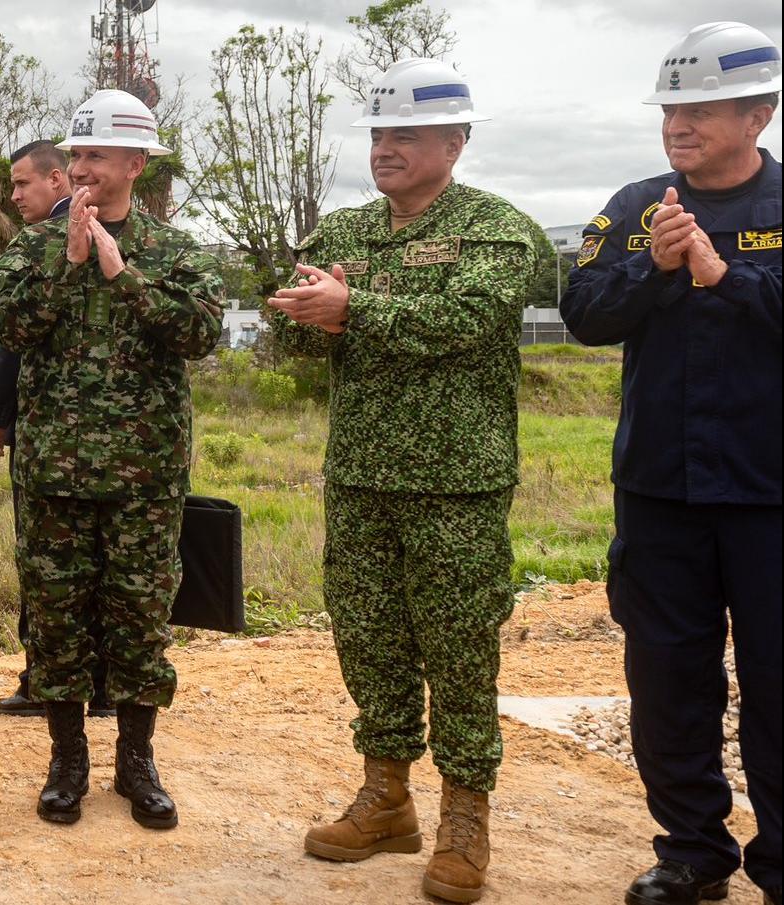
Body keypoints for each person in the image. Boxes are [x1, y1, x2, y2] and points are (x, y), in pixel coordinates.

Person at [264, 60, 558, 904]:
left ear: (455, 143)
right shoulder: (342, 234)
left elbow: (470, 320)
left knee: (460, 645)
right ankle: (386, 794)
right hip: (359, 475)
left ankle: (467, 814)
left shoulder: (497, 231)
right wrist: (308, 312)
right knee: (369, 635)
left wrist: (356, 311)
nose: (385, 149)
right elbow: (292, 325)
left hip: (456, 480)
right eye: (378, 135)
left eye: (406, 135)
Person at [560, 22, 780, 905]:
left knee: (778, 683)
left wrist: (727, 278)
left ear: (759, 112)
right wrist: (655, 269)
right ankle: (691, 852)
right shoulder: (636, 207)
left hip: (772, 494)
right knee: (666, 680)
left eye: (700, 109)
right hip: (660, 494)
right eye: (670, 110)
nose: (678, 126)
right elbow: (581, 308)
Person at [0, 89, 223, 830]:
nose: (81, 167)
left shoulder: (177, 250)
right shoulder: (33, 245)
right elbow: (8, 324)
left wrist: (124, 274)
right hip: (54, 472)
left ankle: (136, 759)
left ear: (135, 163)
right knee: (57, 619)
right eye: (76, 154)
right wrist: (70, 262)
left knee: (140, 619)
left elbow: (200, 332)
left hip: (145, 476)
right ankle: (67, 759)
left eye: (95, 155)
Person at [0, 140, 113, 722]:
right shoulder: (114, 229)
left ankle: (43, 679)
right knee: (110, 566)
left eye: (21, 184)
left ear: (58, 180)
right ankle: (106, 683)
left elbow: (16, 342)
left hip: (51, 433)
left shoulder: (40, 245)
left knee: (50, 564)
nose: (13, 197)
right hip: (122, 438)